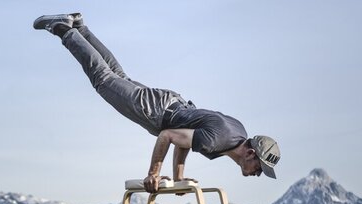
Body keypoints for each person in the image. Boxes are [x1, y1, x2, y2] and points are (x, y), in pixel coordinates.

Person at [33, 13, 281, 193]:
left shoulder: (237, 132)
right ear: (250, 153)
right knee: (103, 80)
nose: (259, 173)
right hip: (157, 112)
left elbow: (185, 138)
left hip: (170, 103)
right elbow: (167, 136)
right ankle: (64, 29)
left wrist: (178, 179)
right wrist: (153, 173)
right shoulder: (220, 141)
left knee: (117, 77)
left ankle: (80, 27)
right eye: (260, 167)